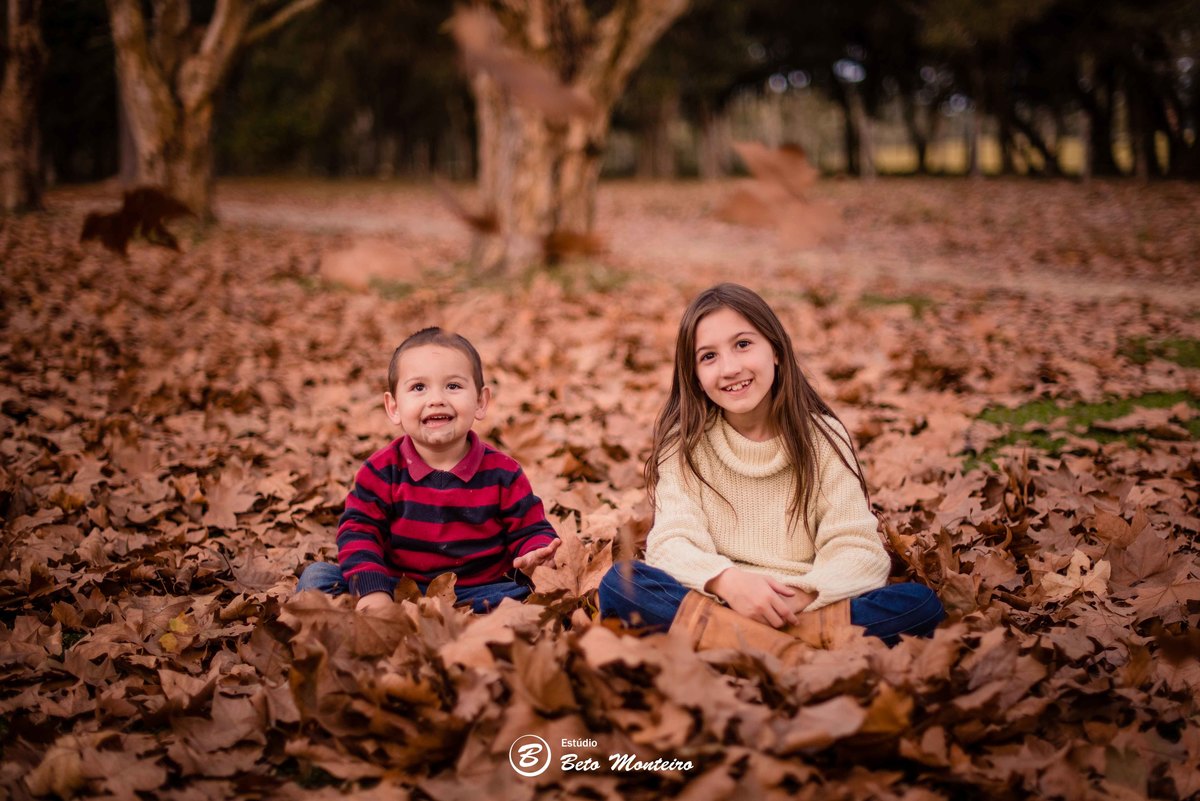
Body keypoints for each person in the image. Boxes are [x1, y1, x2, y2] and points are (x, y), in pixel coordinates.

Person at [598, 283, 944, 661]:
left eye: (743, 344)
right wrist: (729, 583)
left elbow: (857, 549)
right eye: (709, 356)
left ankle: (739, 645)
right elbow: (672, 543)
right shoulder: (684, 446)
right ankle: (797, 654)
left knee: (918, 605)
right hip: (717, 597)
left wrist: (798, 597)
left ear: (776, 350)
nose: (730, 368)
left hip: (802, 605)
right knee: (623, 585)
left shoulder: (822, 438)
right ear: (694, 374)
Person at [295, 327, 561, 613]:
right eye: (419, 388)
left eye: (453, 386)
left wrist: (536, 552)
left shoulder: (503, 473)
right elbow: (360, 532)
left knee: (541, 594)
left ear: (481, 402)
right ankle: (378, 617)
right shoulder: (381, 471)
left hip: (480, 592)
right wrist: (372, 591)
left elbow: (530, 529)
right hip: (398, 588)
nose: (436, 399)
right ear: (394, 407)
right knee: (317, 578)